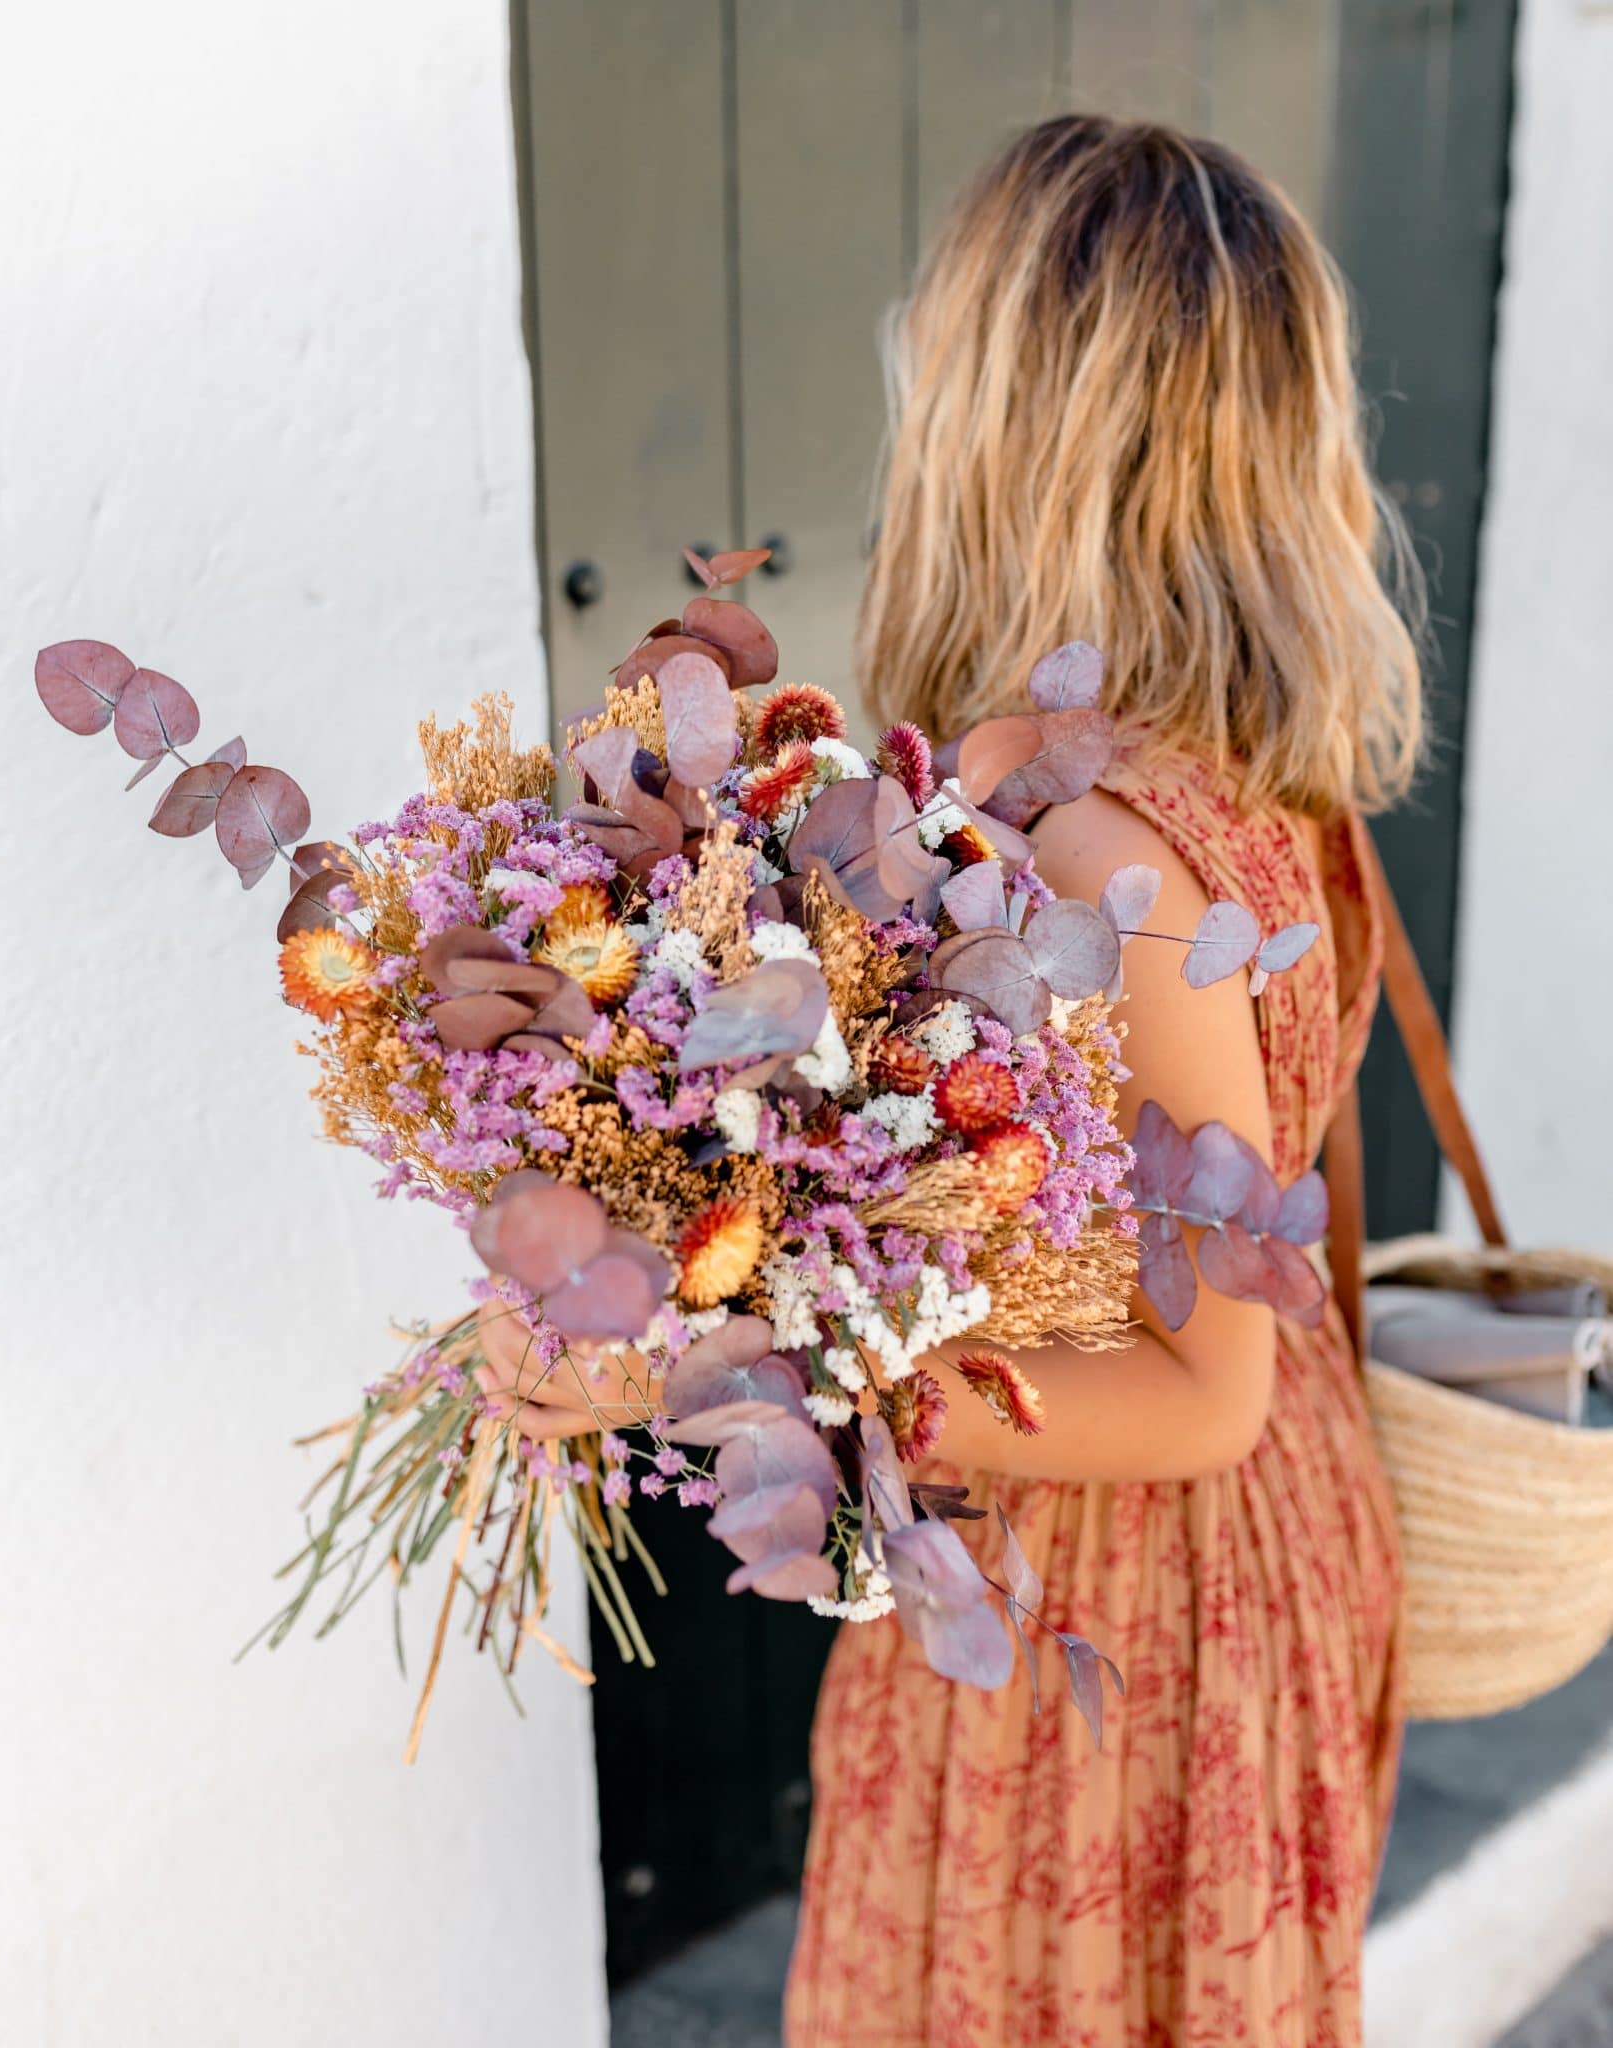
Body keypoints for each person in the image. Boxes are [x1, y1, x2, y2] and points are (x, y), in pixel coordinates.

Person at [484, 114, 1421, 2048]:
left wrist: (690, 1370)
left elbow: (1200, 1394)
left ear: (997, 426)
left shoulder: (1106, 846)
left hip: (1119, 1615)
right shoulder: (1243, 761)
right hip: (1194, 1560)